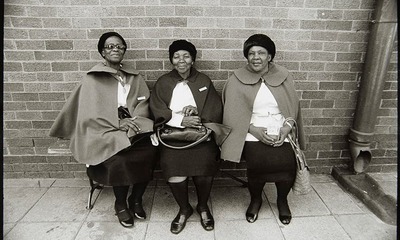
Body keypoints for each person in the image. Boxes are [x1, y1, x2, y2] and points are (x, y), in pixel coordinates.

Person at [49, 32, 158, 228]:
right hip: (102, 130)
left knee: (149, 152)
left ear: (124, 50)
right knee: (121, 157)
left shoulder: (134, 77)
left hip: (133, 125)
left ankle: (136, 199)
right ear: (102, 52)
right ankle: (120, 204)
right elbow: (88, 112)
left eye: (119, 46)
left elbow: (143, 102)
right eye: (110, 46)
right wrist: (116, 123)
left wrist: (134, 120)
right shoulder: (92, 78)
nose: (115, 49)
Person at [221, 34, 306, 225]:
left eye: (261, 52)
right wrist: (253, 130)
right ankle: (256, 199)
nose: (256, 57)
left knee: (287, 163)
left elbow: (293, 106)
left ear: (270, 56)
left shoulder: (283, 76)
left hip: (281, 126)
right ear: (246, 56)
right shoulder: (236, 79)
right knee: (258, 162)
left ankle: (282, 200)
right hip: (250, 128)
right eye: (251, 53)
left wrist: (287, 126)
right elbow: (232, 112)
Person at [149, 40, 226, 234]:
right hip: (172, 136)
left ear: (193, 59)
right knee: (173, 168)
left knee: (205, 166)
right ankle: (184, 209)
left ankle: (202, 206)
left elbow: (214, 108)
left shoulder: (203, 81)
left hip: (200, 135)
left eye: (186, 56)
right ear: (171, 60)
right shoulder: (164, 82)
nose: (181, 60)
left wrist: (198, 114)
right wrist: (180, 120)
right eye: (176, 56)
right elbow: (157, 108)